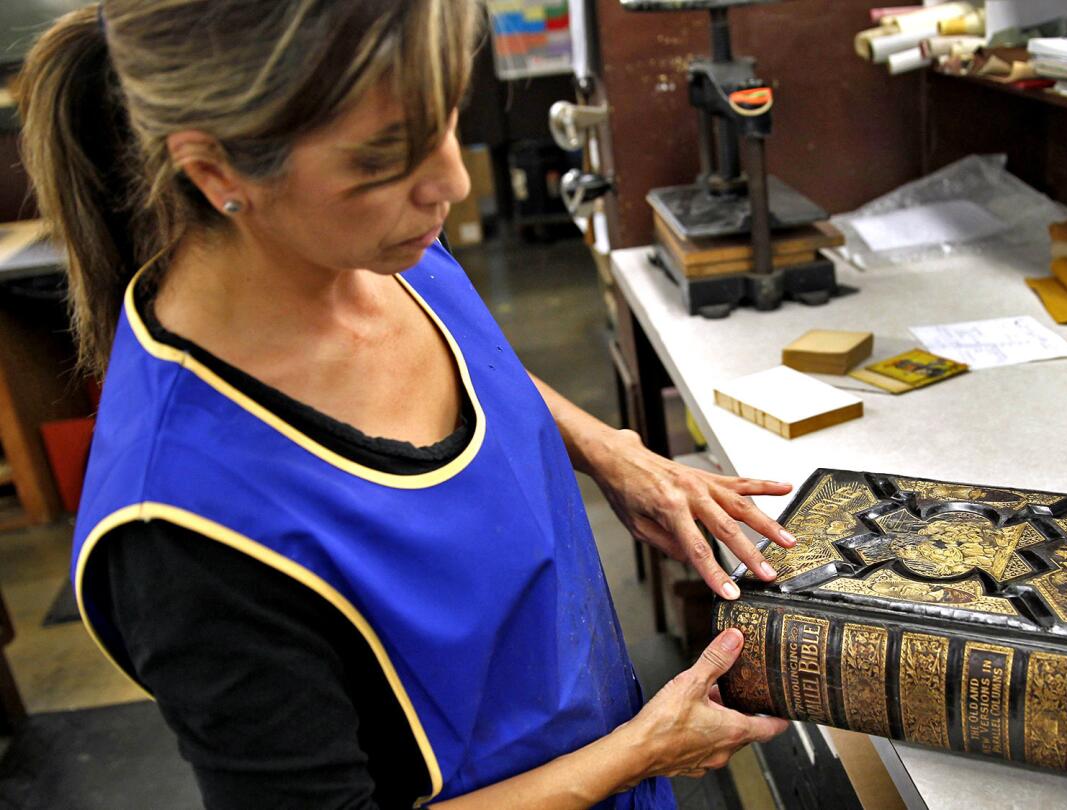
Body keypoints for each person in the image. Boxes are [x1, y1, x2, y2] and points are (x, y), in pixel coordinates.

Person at [17, 2, 795, 807]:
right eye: (385, 156)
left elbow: (469, 356)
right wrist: (638, 753)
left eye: (446, 116)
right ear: (217, 173)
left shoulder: (379, 243)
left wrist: (606, 448)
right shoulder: (182, 530)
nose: (452, 183)